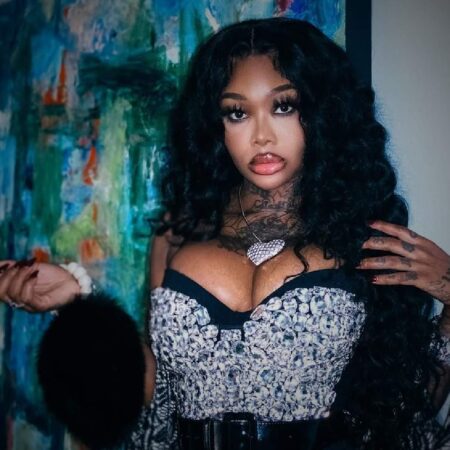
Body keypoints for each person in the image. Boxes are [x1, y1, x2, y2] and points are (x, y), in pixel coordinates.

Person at [1, 17, 450, 450]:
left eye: (283, 106)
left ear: (322, 112)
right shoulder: (180, 228)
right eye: (237, 112)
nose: (261, 136)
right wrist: (76, 301)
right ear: (216, 124)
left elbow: (405, 406)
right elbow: (157, 395)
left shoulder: (363, 231)